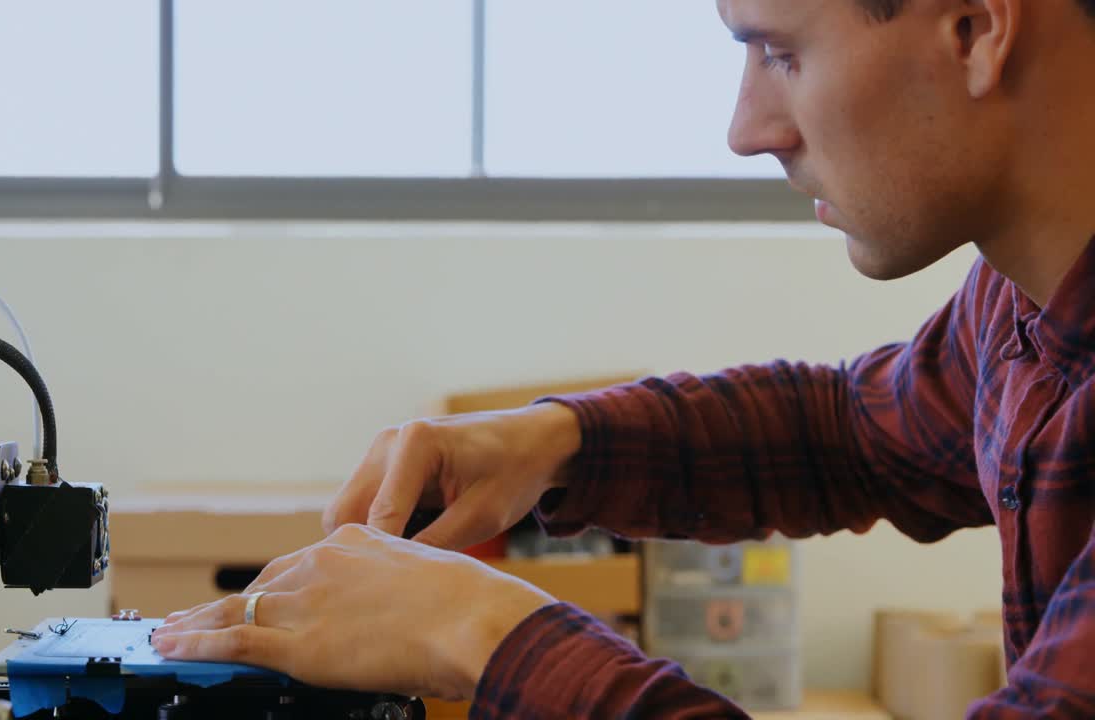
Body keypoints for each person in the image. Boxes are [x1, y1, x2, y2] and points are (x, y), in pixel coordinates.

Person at [151, 0, 1095, 716]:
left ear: (976, 29)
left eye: (782, 53)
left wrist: (477, 630)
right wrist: (555, 443)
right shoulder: (1023, 304)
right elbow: (849, 432)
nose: (748, 130)